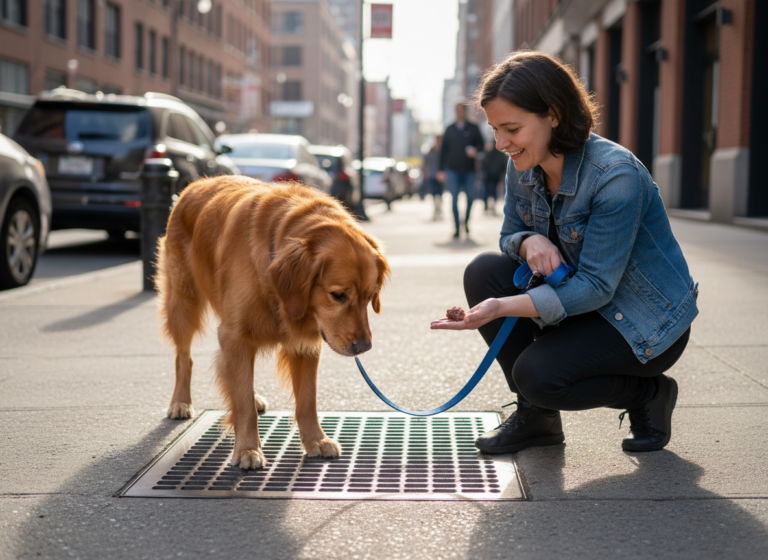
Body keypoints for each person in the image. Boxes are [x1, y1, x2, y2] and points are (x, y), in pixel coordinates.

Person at [431, 51, 698, 455]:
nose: (501, 143)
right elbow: (508, 234)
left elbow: (596, 288)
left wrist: (502, 306)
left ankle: (648, 394)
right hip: (579, 305)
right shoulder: (522, 160)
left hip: (640, 322)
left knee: (537, 376)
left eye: (511, 128)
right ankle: (538, 420)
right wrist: (527, 241)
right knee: (483, 270)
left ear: (553, 115)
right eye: (495, 130)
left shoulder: (615, 176)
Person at [438, 103, 485, 238]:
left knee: (470, 197)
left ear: (465, 112)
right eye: (457, 110)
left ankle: (467, 223)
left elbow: (482, 145)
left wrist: (475, 150)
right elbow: (443, 151)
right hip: (452, 170)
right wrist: (441, 170)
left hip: (470, 170)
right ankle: (457, 228)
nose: (459, 112)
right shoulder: (450, 129)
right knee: (453, 200)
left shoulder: (473, 128)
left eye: (461, 110)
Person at [481, 140, 508, 214]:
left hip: (489, 175)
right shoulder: (501, 155)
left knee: (486, 191)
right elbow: (504, 165)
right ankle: (492, 206)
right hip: (496, 175)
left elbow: (483, 164)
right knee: (494, 191)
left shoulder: (488, 153)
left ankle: (486, 206)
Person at [423, 135, 445, 220]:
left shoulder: (443, 151)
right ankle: (436, 209)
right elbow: (426, 161)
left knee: (440, 194)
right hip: (432, 175)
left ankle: (439, 208)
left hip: (441, 176)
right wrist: (425, 172)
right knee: (433, 193)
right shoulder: (431, 150)